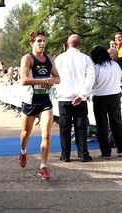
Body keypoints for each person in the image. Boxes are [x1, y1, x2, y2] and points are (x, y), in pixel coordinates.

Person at [18, 30, 60, 181]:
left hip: (45, 102)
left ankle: (43, 167)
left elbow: (58, 78)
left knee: (47, 135)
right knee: (25, 133)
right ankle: (23, 151)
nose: (42, 44)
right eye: (39, 41)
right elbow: (24, 80)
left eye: (43, 41)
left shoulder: (49, 59)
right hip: (30, 101)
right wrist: (44, 81)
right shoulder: (28, 58)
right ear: (32, 43)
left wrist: (51, 81)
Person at [54, 34, 95, 162]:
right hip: (79, 98)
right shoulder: (86, 59)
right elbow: (90, 79)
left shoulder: (59, 58)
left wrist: (59, 90)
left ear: (67, 44)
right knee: (81, 127)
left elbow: (54, 77)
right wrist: (82, 94)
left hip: (64, 97)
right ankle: (83, 154)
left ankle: (65, 155)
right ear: (80, 44)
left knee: (64, 127)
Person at [90, 45, 122, 159]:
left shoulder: (97, 68)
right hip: (115, 95)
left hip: (100, 97)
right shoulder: (115, 65)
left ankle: (105, 151)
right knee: (117, 123)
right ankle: (120, 148)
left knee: (102, 125)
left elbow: (92, 84)